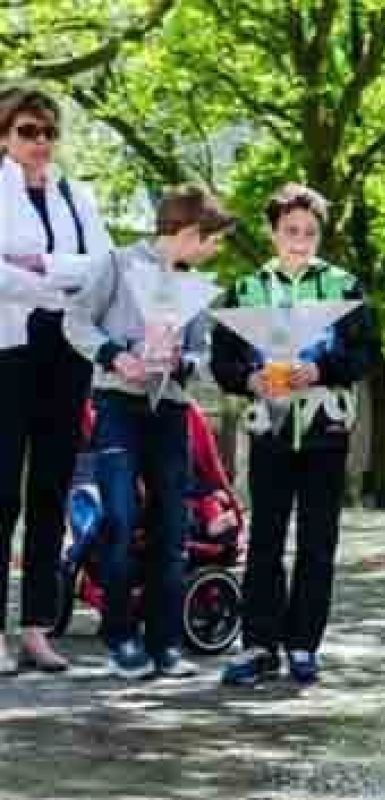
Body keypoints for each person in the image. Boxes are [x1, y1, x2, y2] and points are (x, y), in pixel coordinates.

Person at [64, 185, 234, 679]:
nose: (215, 251)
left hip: (171, 411)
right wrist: (115, 356)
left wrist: (184, 361)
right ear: (189, 233)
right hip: (118, 403)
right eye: (213, 241)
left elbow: (202, 352)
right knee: (119, 517)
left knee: (173, 526)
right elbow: (75, 321)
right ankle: (120, 636)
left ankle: (165, 644)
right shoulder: (116, 265)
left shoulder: (198, 288)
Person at [212, 184, 378, 687]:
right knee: (264, 539)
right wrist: (249, 379)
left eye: (309, 232)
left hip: (325, 430)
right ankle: (259, 645)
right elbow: (224, 361)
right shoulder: (245, 290)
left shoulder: (345, 287)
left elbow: (368, 353)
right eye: (291, 231)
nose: (301, 241)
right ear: (273, 233)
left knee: (317, 541)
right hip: (271, 431)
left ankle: (304, 644)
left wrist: (322, 368)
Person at [0, 87, 114, 675]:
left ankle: (38, 629)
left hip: (66, 351)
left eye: (48, 131)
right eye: (26, 131)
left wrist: (40, 268)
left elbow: (100, 268)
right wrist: (52, 281)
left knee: (51, 491)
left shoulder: (78, 195)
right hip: (9, 351)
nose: (39, 143)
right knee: (1, 494)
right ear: (4, 136)